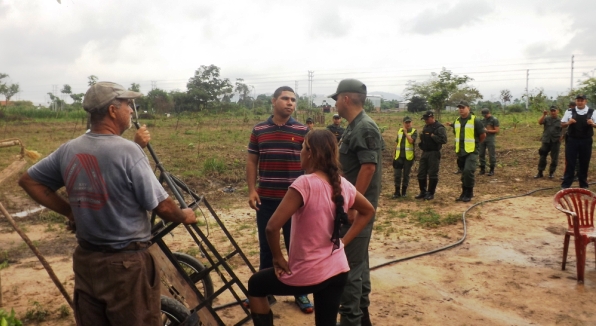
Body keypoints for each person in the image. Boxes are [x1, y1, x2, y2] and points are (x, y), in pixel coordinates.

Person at [18, 82, 197, 325]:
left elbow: (29, 181)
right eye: (127, 105)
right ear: (113, 111)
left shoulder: (69, 149)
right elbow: (163, 207)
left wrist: (69, 211)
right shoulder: (128, 151)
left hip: (87, 261)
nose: (131, 111)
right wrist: (185, 215)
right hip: (125, 266)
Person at [247, 130, 375, 326]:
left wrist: (278, 258)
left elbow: (272, 227)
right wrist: (343, 243)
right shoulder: (343, 184)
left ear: (310, 153)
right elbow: (368, 211)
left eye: (302, 147)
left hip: (309, 273)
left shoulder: (304, 183)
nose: (299, 152)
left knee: (256, 284)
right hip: (338, 269)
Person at [246, 86, 313, 313]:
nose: (290, 103)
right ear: (274, 101)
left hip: (296, 201)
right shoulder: (259, 130)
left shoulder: (303, 130)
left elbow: (312, 164)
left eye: (293, 99)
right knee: (267, 247)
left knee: (297, 247)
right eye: (285, 99)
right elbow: (252, 161)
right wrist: (251, 189)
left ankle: (300, 291)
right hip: (267, 199)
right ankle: (264, 292)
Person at [329, 78, 383, 326]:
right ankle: (363, 318)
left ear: (346, 99)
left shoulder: (364, 127)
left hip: (358, 211)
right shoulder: (354, 126)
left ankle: (350, 320)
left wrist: (352, 205)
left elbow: (368, 167)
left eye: (336, 99)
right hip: (355, 208)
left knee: (348, 267)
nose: (335, 104)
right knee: (358, 263)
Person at [447, 101, 486, 202]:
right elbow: (456, 134)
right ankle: (464, 193)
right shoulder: (457, 121)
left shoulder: (475, 120)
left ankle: (469, 193)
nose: (461, 109)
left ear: (468, 108)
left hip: (472, 151)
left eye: (463, 107)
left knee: (469, 171)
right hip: (460, 151)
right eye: (459, 108)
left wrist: (476, 145)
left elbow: (483, 135)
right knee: (464, 173)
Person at [560, 94, 596, 189]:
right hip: (572, 140)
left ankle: (583, 184)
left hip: (586, 141)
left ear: (585, 101)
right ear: (576, 101)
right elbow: (562, 124)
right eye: (578, 100)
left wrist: (593, 124)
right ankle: (566, 185)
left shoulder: (592, 112)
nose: (580, 102)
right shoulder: (569, 111)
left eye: (582, 100)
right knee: (570, 161)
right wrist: (569, 122)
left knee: (584, 162)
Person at [415, 111, 447, 200]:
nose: (426, 121)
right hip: (425, 152)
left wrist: (434, 136)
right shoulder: (426, 127)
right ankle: (423, 191)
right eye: (424, 119)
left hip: (434, 153)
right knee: (421, 173)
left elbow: (444, 140)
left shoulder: (439, 128)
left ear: (432, 117)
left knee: (432, 173)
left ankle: (430, 193)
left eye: (427, 119)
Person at [392, 116, 418, 198]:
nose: (408, 124)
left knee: (406, 175)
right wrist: (394, 153)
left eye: (409, 122)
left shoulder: (414, 131)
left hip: (408, 157)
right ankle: (397, 192)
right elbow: (397, 142)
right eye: (406, 122)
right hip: (399, 156)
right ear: (403, 123)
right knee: (397, 175)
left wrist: (406, 133)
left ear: (411, 123)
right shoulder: (400, 131)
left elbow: (411, 141)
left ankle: (404, 192)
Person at [534, 106, 562, 178]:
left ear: (557, 111)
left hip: (555, 141)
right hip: (546, 140)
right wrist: (543, 115)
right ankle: (540, 172)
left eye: (554, 111)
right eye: (551, 111)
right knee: (542, 156)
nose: (553, 112)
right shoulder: (546, 119)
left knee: (554, 158)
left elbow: (564, 129)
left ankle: (551, 173)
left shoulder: (560, 120)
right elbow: (540, 122)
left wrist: (562, 137)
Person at [478, 108, 500, 176]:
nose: (485, 116)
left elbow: (497, 130)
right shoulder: (483, 120)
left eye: (486, 115)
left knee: (491, 154)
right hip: (483, 138)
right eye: (484, 115)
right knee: (481, 154)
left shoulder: (494, 120)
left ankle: (492, 170)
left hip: (490, 138)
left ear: (489, 113)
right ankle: (482, 169)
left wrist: (487, 131)